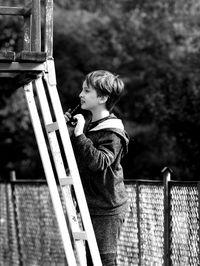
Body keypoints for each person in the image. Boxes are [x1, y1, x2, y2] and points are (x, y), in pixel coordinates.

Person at [65, 70, 129, 266]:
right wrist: (70, 130)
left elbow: (98, 162)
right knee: (90, 260)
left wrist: (79, 134)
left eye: (87, 91)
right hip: (90, 204)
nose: (80, 94)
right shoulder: (89, 124)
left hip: (107, 208)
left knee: (104, 260)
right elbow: (77, 155)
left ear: (102, 97)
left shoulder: (113, 131)